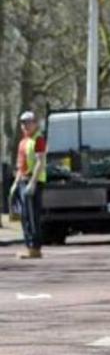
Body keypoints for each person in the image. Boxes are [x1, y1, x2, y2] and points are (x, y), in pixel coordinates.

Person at [10, 111, 47, 259]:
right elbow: (21, 165)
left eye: (28, 122)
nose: (25, 125)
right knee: (24, 216)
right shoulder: (23, 142)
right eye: (23, 123)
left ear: (35, 124)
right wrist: (15, 183)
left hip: (33, 181)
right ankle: (29, 246)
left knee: (32, 215)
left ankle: (35, 247)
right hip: (22, 180)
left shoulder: (38, 139)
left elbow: (40, 161)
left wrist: (32, 183)